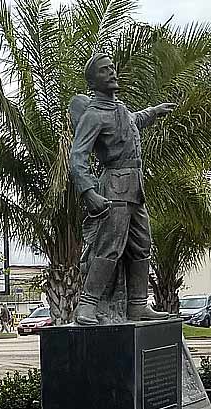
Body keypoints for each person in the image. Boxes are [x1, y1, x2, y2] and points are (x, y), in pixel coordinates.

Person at [68, 53, 176, 325]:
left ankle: (137, 305)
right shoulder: (93, 115)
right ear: (94, 81)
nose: (113, 74)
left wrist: (153, 112)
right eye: (105, 71)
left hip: (135, 188)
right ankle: (88, 305)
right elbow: (77, 157)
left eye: (112, 69)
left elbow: (132, 122)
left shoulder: (119, 109)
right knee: (109, 248)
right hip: (113, 187)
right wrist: (88, 191)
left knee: (141, 247)